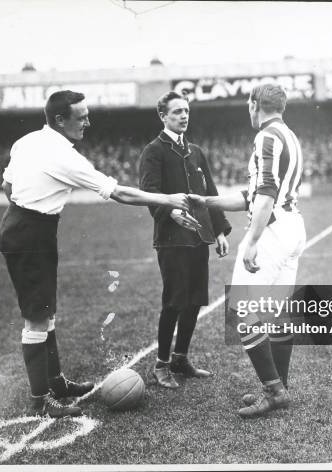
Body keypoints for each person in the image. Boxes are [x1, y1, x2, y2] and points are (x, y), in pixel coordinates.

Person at [0, 90, 191, 418]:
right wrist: (167, 199)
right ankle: (40, 399)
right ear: (60, 120)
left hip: (24, 225)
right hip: (31, 233)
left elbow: (7, 187)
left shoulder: (27, 141)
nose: (89, 121)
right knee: (37, 317)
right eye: (81, 116)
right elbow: (119, 193)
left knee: (46, 310)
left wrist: (28, 212)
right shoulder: (64, 157)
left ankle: (56, 382)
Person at [189, 84, 306, 417]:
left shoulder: (266, 137)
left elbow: (266, 193)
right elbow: (251, 196)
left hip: (271, 231)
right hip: (291, 227)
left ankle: (273, 390)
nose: (247, 109)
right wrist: (208, 201)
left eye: (248, 104)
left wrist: (252, 240)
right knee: (275, 310)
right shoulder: (289, 136)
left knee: (242, 310)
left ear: (256, 104)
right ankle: (278, 387)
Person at [139, 91, 232, 389]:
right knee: (175, 301)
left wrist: (218, 231)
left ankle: (181, 357)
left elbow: (211, 193)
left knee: (195, 301)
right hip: (171, 239)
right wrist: (170, 213)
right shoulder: (153, 151)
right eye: (177, 111)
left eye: (186, 111)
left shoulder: (196, 150)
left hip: (198, 237)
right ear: (163, 116)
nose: (183, 116)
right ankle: (162, 364)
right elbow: (149, 193)